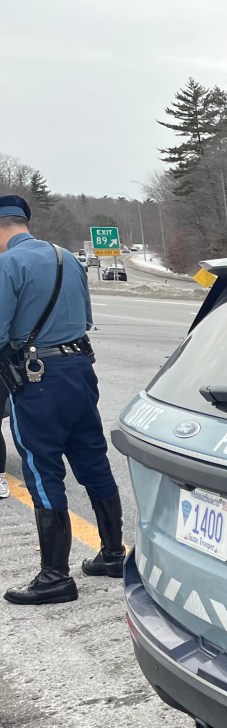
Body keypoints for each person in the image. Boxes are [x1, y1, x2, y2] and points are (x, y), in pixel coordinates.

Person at [0, 194, 126, 604]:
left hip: (38, 378)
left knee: (42, 470)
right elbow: (86, 319)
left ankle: (55, 576)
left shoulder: (8, 264)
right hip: (80, 370)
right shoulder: (66, 258)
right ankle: (113, 555)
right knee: (92, 458)